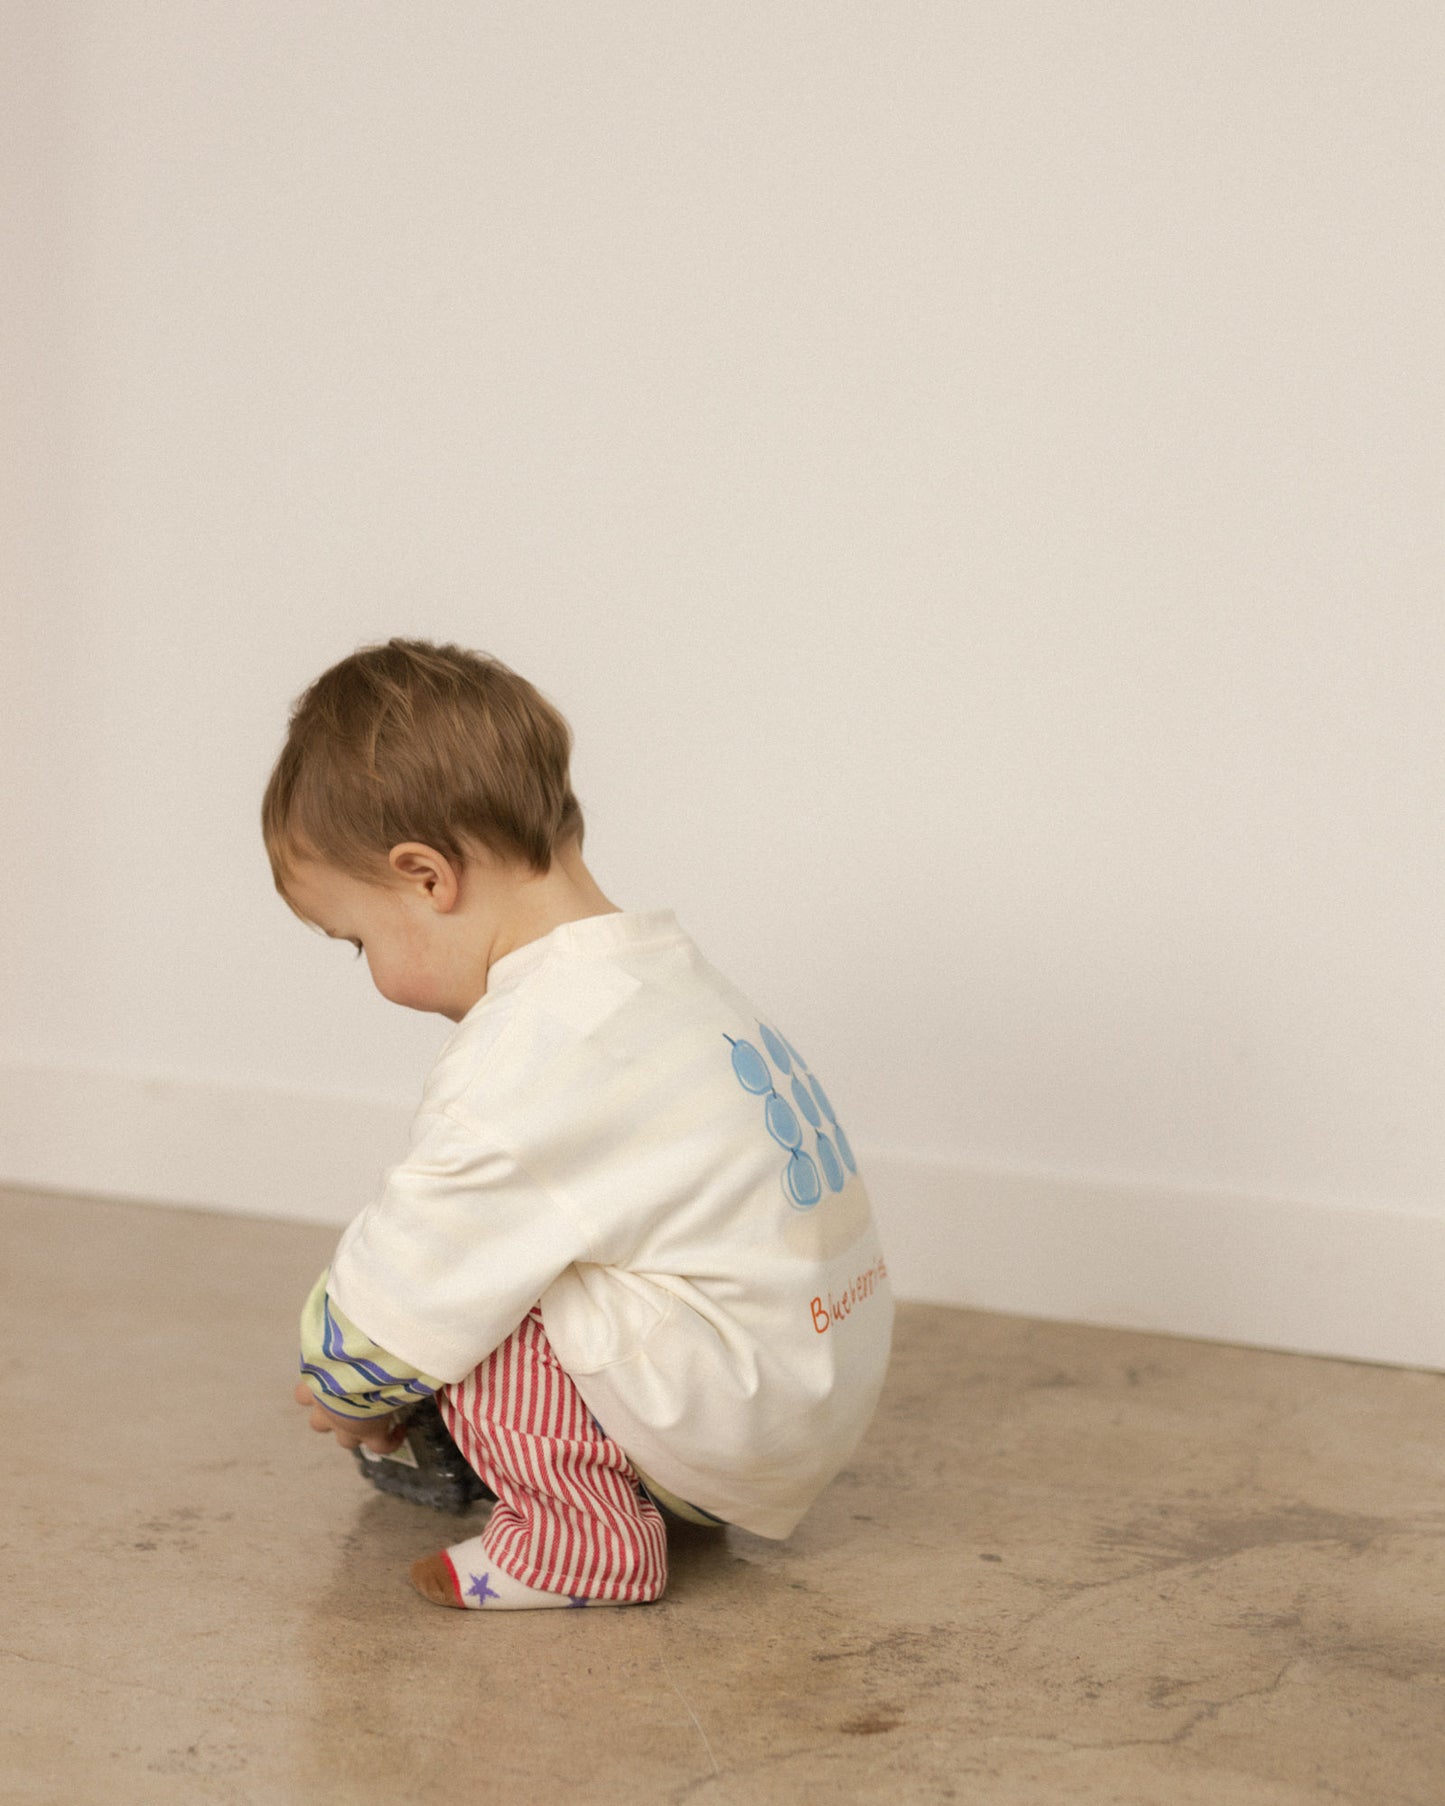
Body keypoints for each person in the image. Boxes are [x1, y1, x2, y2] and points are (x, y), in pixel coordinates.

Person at [261, 636, 894, 1611]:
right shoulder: (653, 976)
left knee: (473, 1289)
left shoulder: (537, 1046)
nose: (372, 973)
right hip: (800, 1380)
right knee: (513, 1256)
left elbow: (417, 1261)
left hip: (740, 1407)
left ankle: (577, 1541)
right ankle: (623, 1478)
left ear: (426, 878)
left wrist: (343, 1376)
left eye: (358, 942)